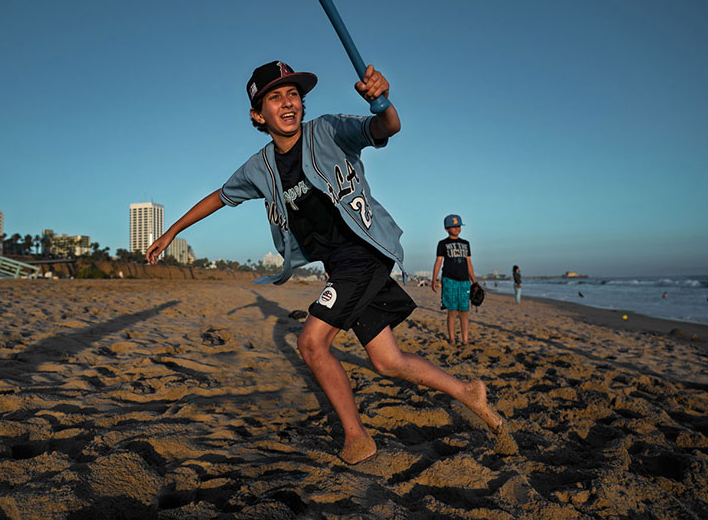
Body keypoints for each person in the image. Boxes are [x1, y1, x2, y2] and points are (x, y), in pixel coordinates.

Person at [145, 60, 500, 465]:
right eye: (275, 97)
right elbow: (219, 196)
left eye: (294, 94)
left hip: (363, 253)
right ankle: (466, 391)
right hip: (340, 265)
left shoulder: (328, 130)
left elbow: (386, 127)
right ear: (257, 115)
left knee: (311, 343)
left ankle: (357, 437)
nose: (288, 103)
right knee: (388, 362)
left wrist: (381, 102)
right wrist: (172, 232)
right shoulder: (259, 168)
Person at [432, 215, 478, 345]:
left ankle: (465, 340)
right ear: (447, 229)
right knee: (452, 311)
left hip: (464, 281)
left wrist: (474, 281)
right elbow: (438, 262)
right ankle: (452, 339)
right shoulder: (442, 244)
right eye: (454, 226)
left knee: (464, 311)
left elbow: (469, 263)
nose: (457, 228)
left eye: (459, 226)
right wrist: (434, 279)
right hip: (449, 280)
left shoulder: (466, 244)